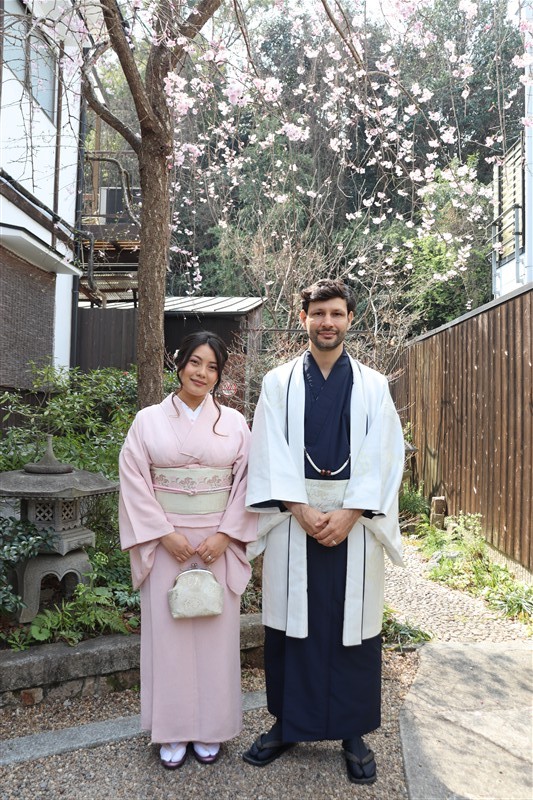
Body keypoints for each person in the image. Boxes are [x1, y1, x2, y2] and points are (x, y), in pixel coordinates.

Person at [242, 279, 405, 785]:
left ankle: (352, 732)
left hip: (354, 523)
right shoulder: (278, 383)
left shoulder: (374, 386)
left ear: (350, 319)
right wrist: (299, 508)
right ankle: (288, 725)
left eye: (336, 313)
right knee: (292, 627)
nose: (327, 322)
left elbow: (386, 455)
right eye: (318, 313)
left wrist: (352, 512)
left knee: (352, 627)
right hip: (295, 520)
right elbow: (265, 451)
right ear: (304, 318)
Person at [119, 331, 256, 769]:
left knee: (217, 638)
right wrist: (163, 533)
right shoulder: (147, 420)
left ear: (219, 375)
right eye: (195, 362)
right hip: (166, 543)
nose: (202, 373)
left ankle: (211, 728)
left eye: (212, 367)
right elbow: (133, 480)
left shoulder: (234, 422)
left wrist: (226, 535)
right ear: (179, 365)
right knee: (169, 637)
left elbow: (248, 482)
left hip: (218, 541)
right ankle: (173, 729)